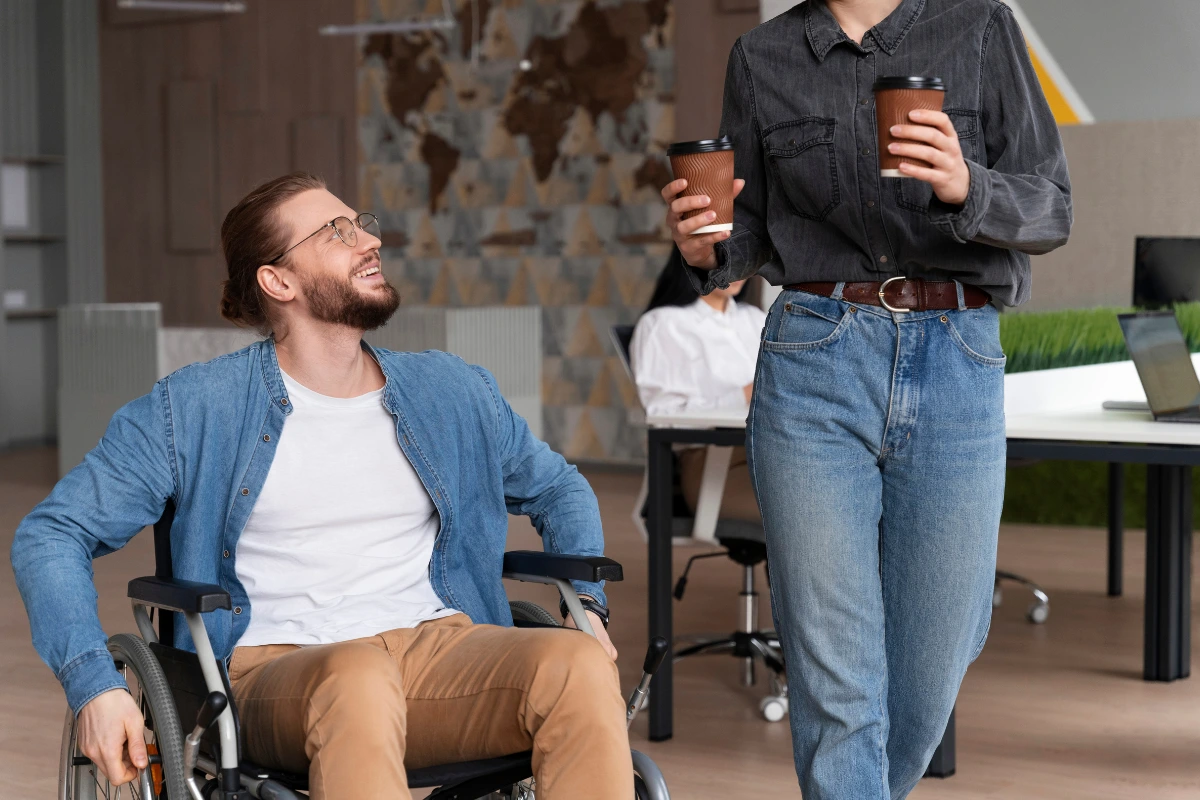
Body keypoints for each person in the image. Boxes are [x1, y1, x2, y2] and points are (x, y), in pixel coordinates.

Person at [12, 173, 631, 799]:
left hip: (441, 650)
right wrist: (96, 684)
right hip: (274, 671)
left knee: (576, 664)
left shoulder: (451, 389)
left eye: (362, 224)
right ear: (278, 281)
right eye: (337, 233)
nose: (368, 241)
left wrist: (590, 607)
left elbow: (560, 488)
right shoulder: (196, 408)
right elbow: (52, 534)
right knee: (356, 674)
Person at [660, 0, 1071, 797]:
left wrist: (965, 184)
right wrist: (703, 249)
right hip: (814, 356)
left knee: (931, 664)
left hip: (955, 353)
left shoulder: (980, 25)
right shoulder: (762, 56)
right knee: (832, 674)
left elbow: (1052, 207)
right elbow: (747, 233)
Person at [631, 246, 765, 522]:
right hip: (714, 466)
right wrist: (744, 394)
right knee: (816, 511)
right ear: (694, 255)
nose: (737, 266)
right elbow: (662, 414)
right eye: (725, 255)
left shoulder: (755, 319)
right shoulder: (663, 324)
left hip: (770, 453)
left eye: (743, 255)